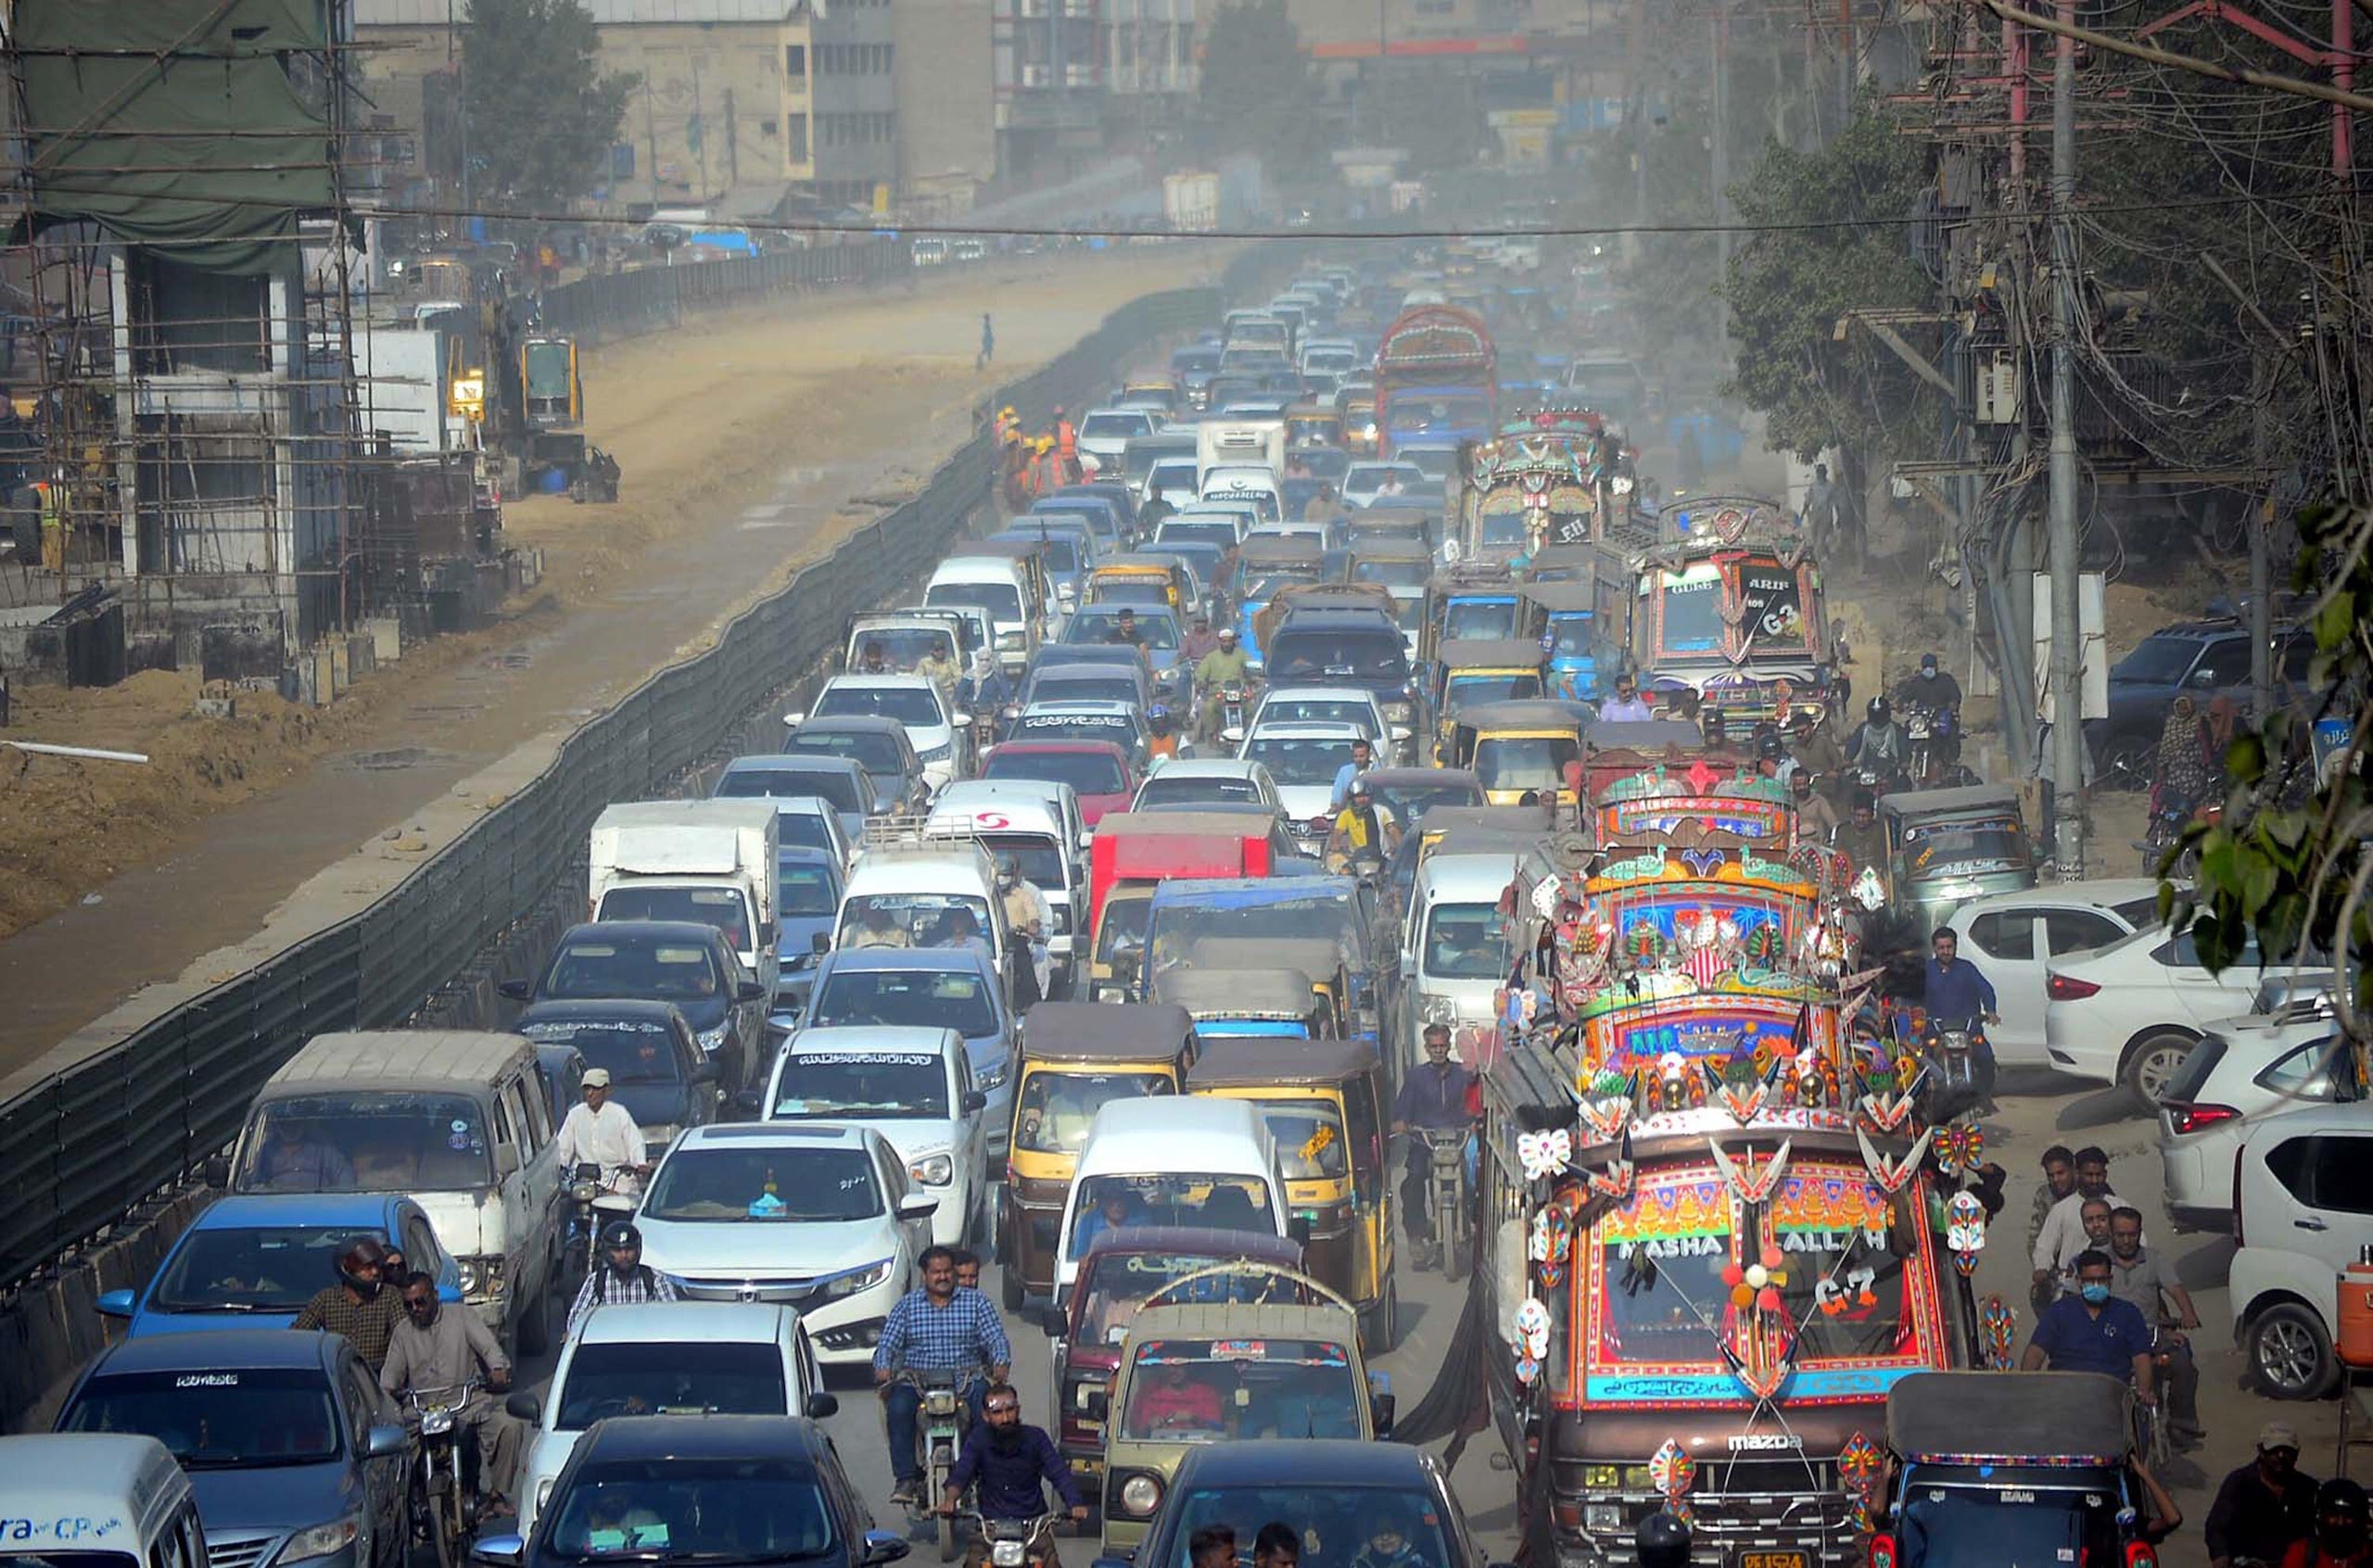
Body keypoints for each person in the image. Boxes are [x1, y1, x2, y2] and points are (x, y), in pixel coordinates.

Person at [876, 1246, 1013, 1507]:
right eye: (935, 1272)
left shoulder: (977, 1302)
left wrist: (1000, 1361)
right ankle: (905, 1478)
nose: (942, 1277)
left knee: (989, 1412)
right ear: (924, 1274)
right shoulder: (907, 1306)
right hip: (917, 1381)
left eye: (947, 1271)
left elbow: (995, 1337)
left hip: (965, 1378)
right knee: (898, 1408)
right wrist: (883, 1366)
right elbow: (887, 1344)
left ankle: (986, 1474)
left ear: (954, 1272)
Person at [383, 1271, 522, 1517]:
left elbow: (489, 1347)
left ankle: (496, 1496)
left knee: (509, 1427)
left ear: (434, 1296)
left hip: (467, 1404)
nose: (415, 1309)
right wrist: (387, 1391)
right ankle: (405, 1508)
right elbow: (390, 1376)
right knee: (388, 1449)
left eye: (421, 1301)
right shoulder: (403, 1332)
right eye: (409, 1305)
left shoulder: (462, 1316)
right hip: (422, 1410)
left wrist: (497, 1369)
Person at [936, 1383, 1088, 1557]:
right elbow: (961, 1474)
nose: (1005, 1418)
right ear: (986, 1416)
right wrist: (950, 1500)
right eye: (997, 1413)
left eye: (1010, 1410)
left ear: (1018, 1410)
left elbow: (1059, 1473)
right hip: (990, 1528)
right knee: (974, 1561)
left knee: (1050, 1560)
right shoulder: (978, 1440)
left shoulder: (1036, 1438)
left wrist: (1075, 1503)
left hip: (1033, 1527)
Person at [2107, 1205, 2204, 1447]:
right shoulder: (2099, 1260)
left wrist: (2188, 1313)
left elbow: (2175, 1289)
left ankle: (2182, 1425)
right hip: (2112, 1335)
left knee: (2183, 1363)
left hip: (2150, 1333)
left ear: (2140, 1232)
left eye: (2132, 1234)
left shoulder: (2154, 1259)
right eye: (2120, 1235)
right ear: (2111, 1233)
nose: (2127, 1240)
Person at [2018, 1249, 2156, 1409]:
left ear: (2110, 1280)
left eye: (2101, 1280)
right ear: (2079, 1281)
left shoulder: (2128, 1313)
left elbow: (2141, 1359)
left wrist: (2143, 1391)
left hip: (2112, 1400)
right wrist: (2026, 1389)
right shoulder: (2059, 1312)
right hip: (2064, 1398)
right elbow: (2036, 1352)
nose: (2096, 1285)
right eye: (2090, 1281)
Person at [1392, 1024, 1476, 1268]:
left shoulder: (1463, 1074)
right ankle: (1416, 1235)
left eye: (1442, 1046)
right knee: (1414, 1180)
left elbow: (1474, 1105)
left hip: (1456, 1144)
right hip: (1424, 1143)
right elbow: (1403, 1110)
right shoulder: (1416, 1077)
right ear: (1427, 1049)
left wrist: (1474, 1122)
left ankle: (1469, 1227)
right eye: (1434, 1047)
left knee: (1471, 1181)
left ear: (1448, 1047)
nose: (1438, 1051)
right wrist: (1403, 1123)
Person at [2207, 1423, 2319, 1568]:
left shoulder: (2308, 1488)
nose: (2281, 1456)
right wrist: (2220, 1556)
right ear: (2261, 1451)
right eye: (2275, 1450)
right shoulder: (2240, 1483)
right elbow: (2216, 1527)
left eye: (2287, 1451)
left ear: (2297, 1453)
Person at [2032, 1146, 2132, 1298]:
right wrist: (2042, 1269)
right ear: (2077, 1174)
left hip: (2113, 1285)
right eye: (2089, 1175)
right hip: (2073, 1287)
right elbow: (2044, 1247)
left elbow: (2138, 1243)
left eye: (2098, 1175)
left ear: (2105, 1174)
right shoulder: (2061, 1210)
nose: (2094, 1180)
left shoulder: (2119, 1206)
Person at [292, 1237, 404, 1372]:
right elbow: (298, 1336)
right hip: (339, 1376)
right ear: (347, 1269)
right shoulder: (326, 1299)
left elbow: (404, 1335)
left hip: (377, 1377)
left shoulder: (389, 1295)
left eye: (376, 1266)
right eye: (367, 1267)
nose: (374, 1272)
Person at [1923, 927, 2000, 1109]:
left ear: (1955, 947)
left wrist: (1990, 1011)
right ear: (1934, 949)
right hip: (1935, 1032)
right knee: (1921, 1062)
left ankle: (1984, 1096)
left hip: (1969, 1031)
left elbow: (1986, 989)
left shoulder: (1967, 968)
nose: (1946, 951)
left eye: (1949, 946)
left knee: (1987, 1059)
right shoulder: (1926, 970)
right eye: (1941, 947)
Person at [567, 1220, 679, 1338]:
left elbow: (672, 1318)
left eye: (629, 1250)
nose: (624, 1255)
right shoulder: (597, 1281)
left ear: (638, 1249)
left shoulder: (655, 1279)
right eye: (617, 1250)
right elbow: (577, 1320)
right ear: (607, 1251)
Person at [552, 1069, 651, 1192]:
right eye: (587, 1089)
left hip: (618, 1180)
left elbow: (634, 1142)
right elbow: (563, 1148)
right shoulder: (575, 1115)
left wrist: (640, 1163)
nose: (590, 1094)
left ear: (607, 1090)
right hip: (584, 1182)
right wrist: (558, 1166)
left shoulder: (619, 1114)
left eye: (595, 1089)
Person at [996, 854, 1052, 1006]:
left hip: (1018, 940)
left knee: (1029, 976)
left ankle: (1036, 1005)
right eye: (1000, 875)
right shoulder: (991, 895)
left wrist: (1031, 926)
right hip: (997, 943)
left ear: (1013, 875)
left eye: (1006, 875)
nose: (1002, 879)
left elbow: (1033, 915)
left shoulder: (1024, 895)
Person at [2285, 1481, 2373, 1568]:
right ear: (2320, 1517)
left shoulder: (2367, 1554)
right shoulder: (2302, 1553)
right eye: (2333, 1515)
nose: (2340, 1522)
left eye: (2348, 1516)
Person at [253, 1119, 356, 1191]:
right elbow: (253, 1185)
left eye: (295, 1123)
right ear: (276, 1125)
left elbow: (346, 1180)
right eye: (285, 1124)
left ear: (304, 1124)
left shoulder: (324, 1151)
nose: (290, 1128)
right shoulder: (266, 1153)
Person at [1326, 776, 1401, 870]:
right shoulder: (1346, 815)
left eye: (1365, 796)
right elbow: (1338, 833)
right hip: (1356, 860)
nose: (1362, 799)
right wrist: (1335, 845)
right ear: (1352, 798)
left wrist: (1401, 848)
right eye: (1358, 797)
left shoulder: (1382, 811)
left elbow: (1393, 830)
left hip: (1383, 858)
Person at [1194, 626, 1256, 740]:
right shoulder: (1211, 657)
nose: (1227, 644)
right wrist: (1201, 681)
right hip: (1218, 693)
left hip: (1239, 693)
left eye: (1229, 641)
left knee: (1252, 707)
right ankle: (1213, 734)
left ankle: (1251, 733)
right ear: (1220, 642)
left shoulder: (1241, 655)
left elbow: (1251, 666)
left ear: (1233, 641)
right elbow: (1201, 673)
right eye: (1224, 641)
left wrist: (1254, 676)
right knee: (1208, 708)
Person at [1130, 1364, 1225, 1431]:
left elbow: (1219, 1430)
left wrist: (1194, 1419)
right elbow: (1135, 1435)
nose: (1173, 1371)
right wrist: (1149, 1427)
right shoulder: (1149, 1392)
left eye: (1179, 1365)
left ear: (1189, 1367)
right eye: (1169, 1365)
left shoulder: (1206, 1393)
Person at [1846, 697, 1908, 786]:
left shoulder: (1895, 729)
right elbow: (1853, 743)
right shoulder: (1863, 728)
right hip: (1866, 769)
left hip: (1889, 771)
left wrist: (1905, 761)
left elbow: (1903, 746)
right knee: (1849, 784)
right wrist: (1848, 758)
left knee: (1903, 784)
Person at [1832, 790, 1886, 879]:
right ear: (1852, 813)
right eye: (1858, 815)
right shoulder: (1843, 832)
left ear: (1872, 815)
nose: (1861, 819)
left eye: (1865, 816)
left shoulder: (1880, 830)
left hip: (1877, 879)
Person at [1349, 1513, 1426, 1568]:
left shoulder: (1418, 1563)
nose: (1385, 1537)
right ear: (1369, 1537)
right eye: (1379, 1532)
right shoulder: (1355, 1563)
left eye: (1391, 1531)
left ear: (1404, 1533)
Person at [1072, 1191, 1138, 1255]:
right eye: (1111, 1201)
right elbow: (1079, 1257)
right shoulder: (1088, 1222)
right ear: (1104, 1203)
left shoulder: (1139, 1225)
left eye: (1121, 1201)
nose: (1116, 1206)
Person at [1800, 462, 1840, 552]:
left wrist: (1839, 518)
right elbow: (1807, 502)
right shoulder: (1813, 486)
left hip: (1826, 517)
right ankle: (1824, 554)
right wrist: (1802, 516)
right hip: (1815, 516)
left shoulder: (1830, 487)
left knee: (1820, 540)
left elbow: (1836, 503)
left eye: (1822, 472)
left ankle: (1820, 559)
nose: (1820, 474)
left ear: (1825, 473)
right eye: (1819, 472)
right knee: (1815, 539)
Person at [1790, 770, 1839, 842]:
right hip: (1793, 846)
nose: (1802, 788)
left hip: (1816, 846)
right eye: (1798, 785)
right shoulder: (1788, 802)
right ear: (1792, 785)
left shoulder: (1819, 800)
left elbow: (1834, 824)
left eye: (1804, 784)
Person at [1331, 734, 1377, 810]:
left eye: (1362, 756)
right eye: (1356, 756)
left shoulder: (1378, 771)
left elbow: (1389, 794)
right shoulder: (1345, 772)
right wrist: (1335, 805)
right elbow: (1337, 794)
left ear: (1369, 755)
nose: (1358, 760)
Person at [847, 904, 912, 949]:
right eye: (869, 910)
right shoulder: (854, 930)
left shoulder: (900, 933)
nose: (873, 914)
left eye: (877, 910)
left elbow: (911, 954)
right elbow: (838, 949)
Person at [1053, 407, 1080, 485]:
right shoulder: (1069, 426)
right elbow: (1075, 440)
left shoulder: (1054, 429)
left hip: (1061, 460)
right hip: (1071, 458)